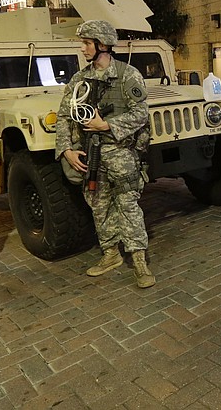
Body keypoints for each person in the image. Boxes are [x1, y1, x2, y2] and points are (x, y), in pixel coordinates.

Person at [55, 20, 154, 288]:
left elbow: (141, 114)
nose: (83, 48)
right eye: (83, 43)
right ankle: (110, 254)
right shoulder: (79, 79)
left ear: (102, 45)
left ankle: (139, 261)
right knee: (98, 205)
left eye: (87, 43)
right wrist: (66, 150)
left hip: (120, 153)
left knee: (128, 206)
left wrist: (107, 125)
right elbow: (64, 117)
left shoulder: (127, 75)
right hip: (90, 155)